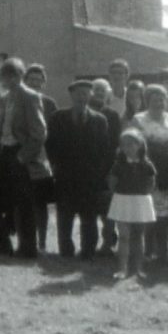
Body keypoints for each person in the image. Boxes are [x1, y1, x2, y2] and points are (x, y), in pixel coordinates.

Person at [45, 79, 110, 259]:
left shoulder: (100, 120)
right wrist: (56, 166)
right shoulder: (58, 118)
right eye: (78, 93)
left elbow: (105, 149)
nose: (82, 97)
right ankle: (66, 250)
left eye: (85, 93)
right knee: (65, 216)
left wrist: (99, 173)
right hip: (65, 174)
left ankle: (88, 251)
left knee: (89, 216)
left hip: (90, 177)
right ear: (71, 95)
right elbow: (50, 145)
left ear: (90, 95)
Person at [0, 58, 47, 259]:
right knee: (7, 202)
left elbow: (39, 133)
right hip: (5, 152)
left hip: (20, 154)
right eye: (6, 76)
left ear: (20, 75)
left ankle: (28, 248)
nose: (9, 80)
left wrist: (22, 157)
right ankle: (5, 244)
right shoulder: (7, 97)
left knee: (25, 204)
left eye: (13, 76)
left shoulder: (30, 97)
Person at [131, 84, 168, 262]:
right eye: (154, 100)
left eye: (162, 99)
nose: (159, 103)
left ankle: (163, 252)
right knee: (148, 213)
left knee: (164, 215)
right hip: (147, 172)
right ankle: (147, 250)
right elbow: (133, 145)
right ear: (147, 101)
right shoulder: (138, 119)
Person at [107, 129, 156, 280]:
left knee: (138, 236)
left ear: (140, 145)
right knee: (124, 236)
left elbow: (151, 184)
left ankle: (138, 269)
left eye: (132, 144)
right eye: (124, 145)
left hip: (140, 202)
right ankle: (122, 268)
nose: (128, 148)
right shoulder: (118, 165)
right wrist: (123, 193)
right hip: (122, 201)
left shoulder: (147, 165)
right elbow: (112, 183)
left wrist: (140, 195)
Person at [24, 64, 59, 252]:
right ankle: (24, 239)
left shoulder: (49, 104)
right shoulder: (16, 100)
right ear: (25, 81)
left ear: (43, 83)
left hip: (42, 160)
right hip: (21, 157)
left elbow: (54, 135)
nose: (35, 83)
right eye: (32, 80)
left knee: (40, 203)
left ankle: (42, 241)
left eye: (39, 80)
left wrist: (52, 161)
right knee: (22, 201)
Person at [90, 78, 123, 253]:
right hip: (86, 167)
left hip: (106, 166)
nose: (99, 94)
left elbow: (115, 143)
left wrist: (110, 170)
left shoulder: (112, 115)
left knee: (106, 208)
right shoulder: (83, 111)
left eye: (103, 91)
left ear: (108, 94)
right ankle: (90, 242)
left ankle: (107, 242)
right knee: (90, 208)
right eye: (96, 90)